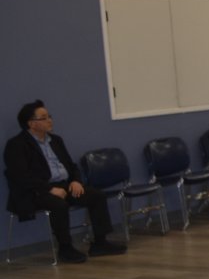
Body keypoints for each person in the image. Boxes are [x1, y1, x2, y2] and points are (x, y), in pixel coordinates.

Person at [4, 100, 126, 263]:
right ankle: (65, 248)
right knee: (59, 205)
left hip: (64, 185)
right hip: (36, 192)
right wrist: (49, 189)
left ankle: (100, 243)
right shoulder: (17, 145)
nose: (50, 120)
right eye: (44, 118)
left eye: (49, 116)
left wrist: (76, 181)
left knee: (96, 196)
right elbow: (20, 176)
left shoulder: (55, 140)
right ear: (31, 124)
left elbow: (71, 165)